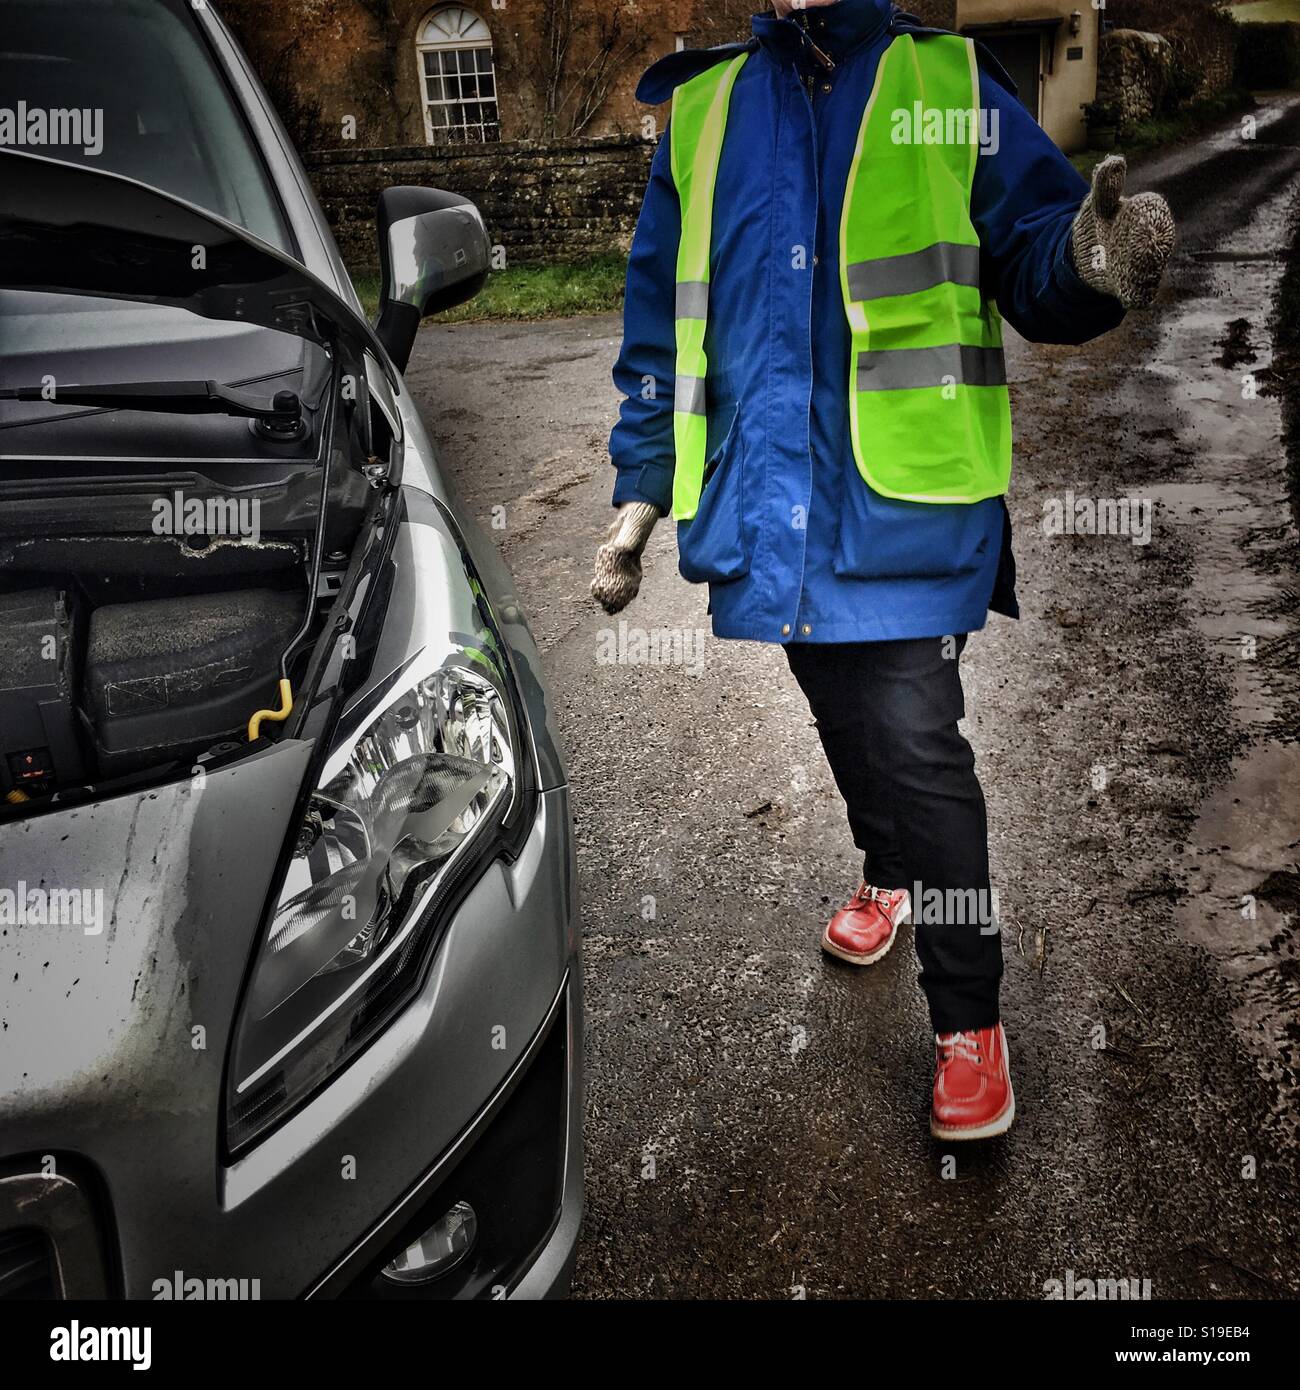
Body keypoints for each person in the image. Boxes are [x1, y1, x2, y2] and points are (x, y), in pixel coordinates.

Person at [590, 0, 1175, 1140]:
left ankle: (968, 1018)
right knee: (842, 717)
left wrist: (1089, 259)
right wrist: (638, 491)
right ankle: (888, 871)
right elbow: (658, 325)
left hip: (904, 503)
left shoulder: (944, 83)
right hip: (771, 508)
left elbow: (1033, 248)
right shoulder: (701, 113)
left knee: (913, 740)